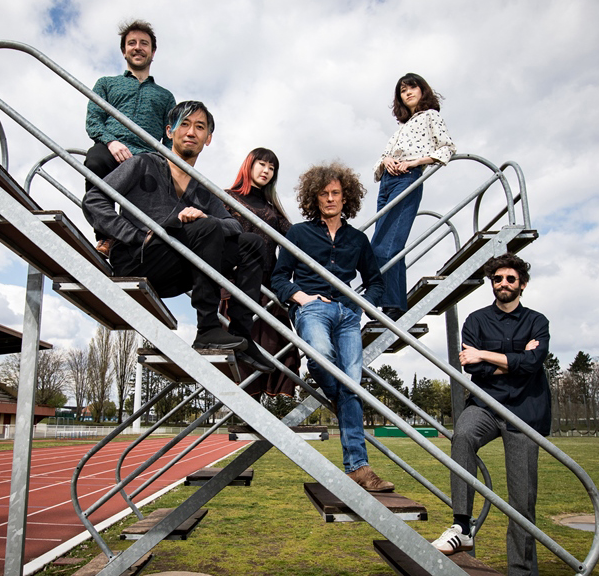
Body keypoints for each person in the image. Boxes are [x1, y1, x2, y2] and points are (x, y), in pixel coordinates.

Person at [82, 101, 274, 372]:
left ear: (208, 139)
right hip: (138, 259)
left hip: (176, 269)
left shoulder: (202, 188)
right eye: (184, 124)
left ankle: (242, 333)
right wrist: (137, 235)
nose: (191, 132)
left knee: (251, 244)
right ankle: (207, 327)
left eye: (199, 127)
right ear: (169, 131)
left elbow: (235, 227)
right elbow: (94, 200)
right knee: (205, 228)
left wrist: (205, 217)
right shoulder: (143, 163)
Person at [271, 161, 393, 492]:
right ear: (314, 198)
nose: (330, 199)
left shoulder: (357, 239)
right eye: (323, 194)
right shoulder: (298, 233)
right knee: (323, 357)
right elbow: (279, 277)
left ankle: (359, 468)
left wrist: (358, 305)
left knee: (352, 382)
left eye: (336, 193)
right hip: (312, 310)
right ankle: (345, 401)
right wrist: (302, 297)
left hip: (347, 314)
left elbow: (376, 282)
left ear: (346, 197)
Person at [433, 253, 551, 576]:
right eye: (497, 279)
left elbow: (532, 365)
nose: (503, 284)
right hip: (485, 405)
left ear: (522, 285)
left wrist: (486, 355)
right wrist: (513, 361)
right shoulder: (475, 320)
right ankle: (462, 526)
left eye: (510, 279)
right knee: (463, 434)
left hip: (524, 413)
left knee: (522, 502)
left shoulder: (537, 322)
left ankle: (522, 571)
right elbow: (471, 368)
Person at [85, 19, 176, 255]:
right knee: (95, 161)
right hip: (111, 146)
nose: (138, 47)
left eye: (144, 43)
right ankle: (106, 236)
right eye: (132, 43)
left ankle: (138, 248)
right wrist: (111, 141)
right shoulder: (106, 84)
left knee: (154, 195)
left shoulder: (165, 96)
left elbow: (171, 136)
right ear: (124, 50)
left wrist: (164, 161)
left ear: (153, 52)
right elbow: (93, 120)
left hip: (147, 156)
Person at [370, 73, 456, 320]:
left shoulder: (431, 116)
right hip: (386, 182)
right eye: (402, 90)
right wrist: (386, 160)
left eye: (411, 88)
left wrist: (416, 162)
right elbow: (382, 157)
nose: (407, 93)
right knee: (383, 240)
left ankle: (392, 305)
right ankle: (393, 302)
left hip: (407, 178)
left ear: (421, 90)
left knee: (385, 246)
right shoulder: (401, 128)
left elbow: (447, 148)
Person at [222, 148, 299, 394]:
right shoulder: (225, 198)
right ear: (249, 165)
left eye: (272, 167)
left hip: (269, 290)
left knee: (276, 349)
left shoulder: (273, 209)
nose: (266, 170)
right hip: (238, 286)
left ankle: (263, 419)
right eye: (262, 164)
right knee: (242, 351)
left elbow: (297, 238)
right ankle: (244, 414)